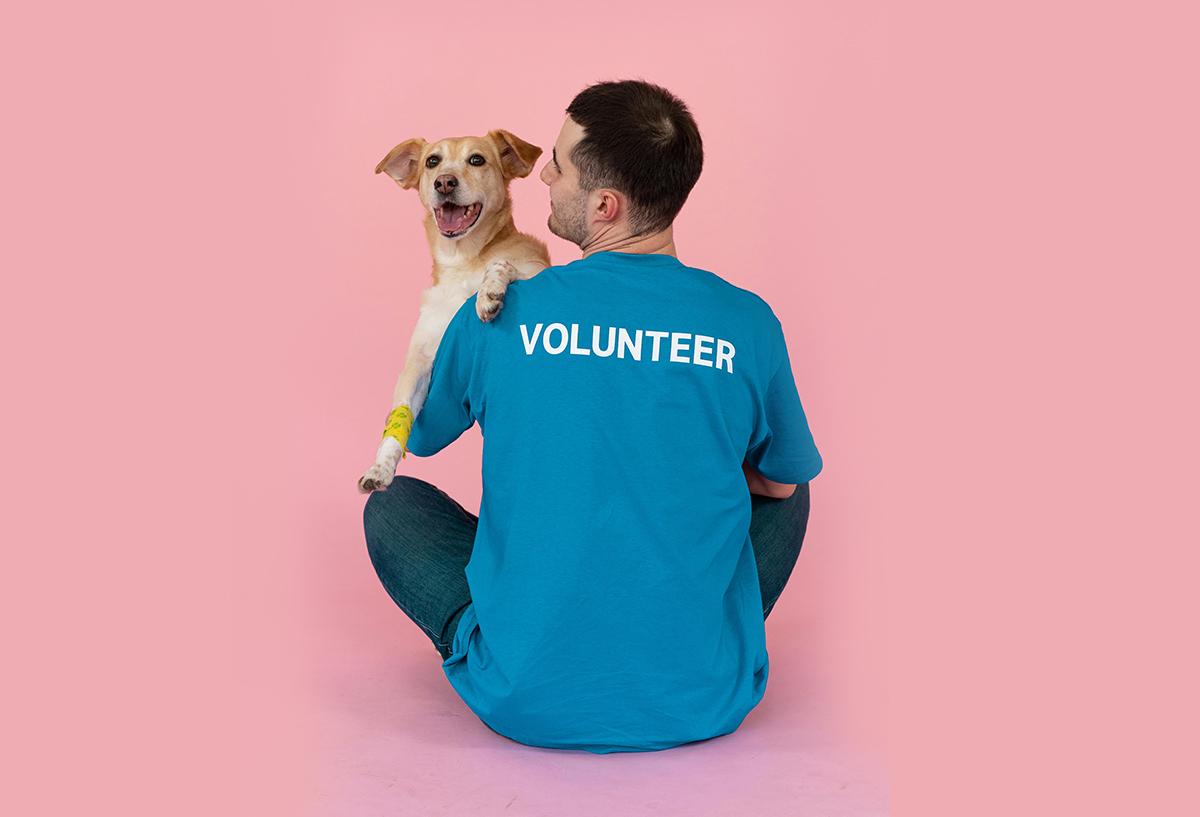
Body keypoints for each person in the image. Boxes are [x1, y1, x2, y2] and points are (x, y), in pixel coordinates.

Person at [362, 79, 823, 754]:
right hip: (702, 697)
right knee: (793, 481)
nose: (544, 177)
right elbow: (779, 484)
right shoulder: (748, 321)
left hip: (522, 696)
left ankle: (502, 636)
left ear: (605, 205)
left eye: (559, 166)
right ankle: (702, 638)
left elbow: (423, 436)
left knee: (393, 504)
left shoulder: (495, 312)